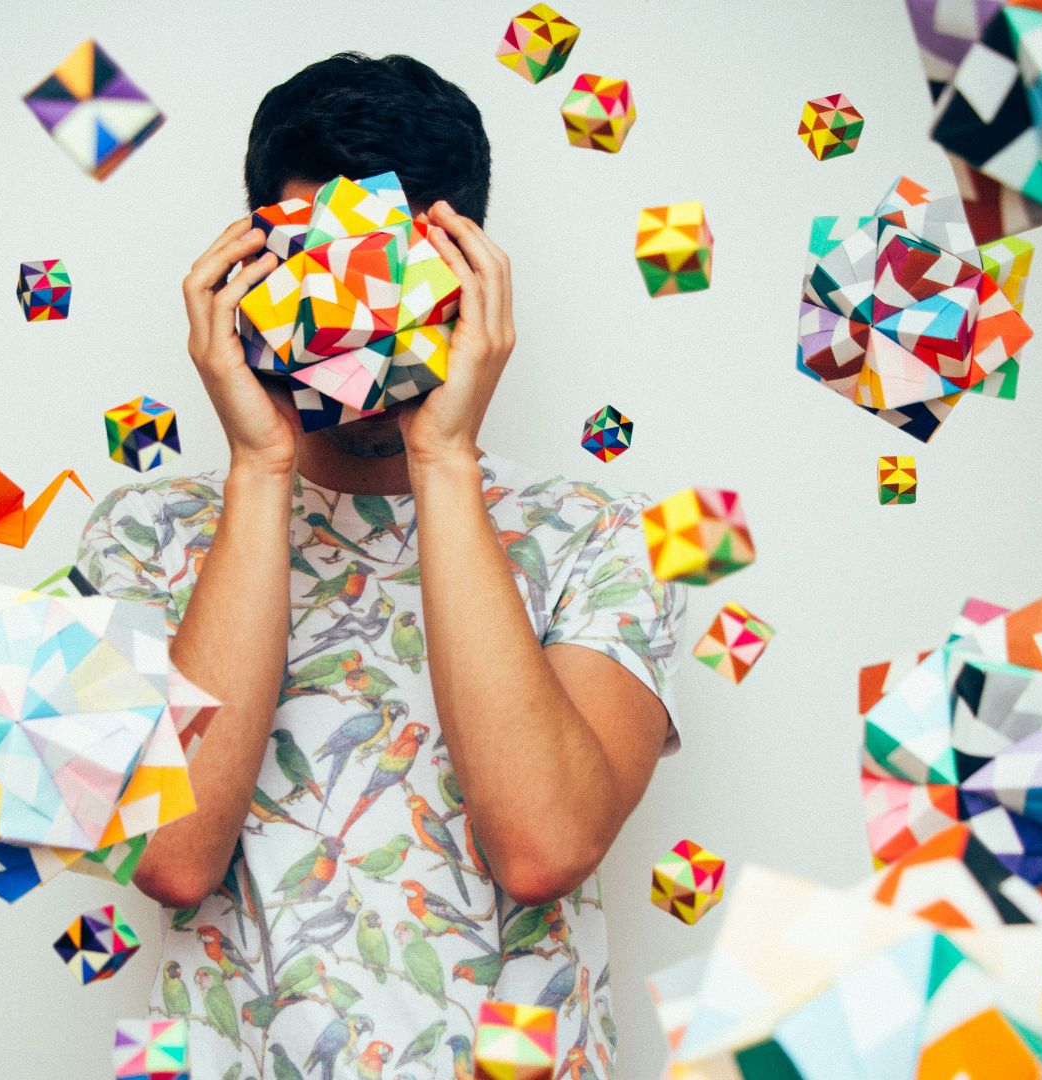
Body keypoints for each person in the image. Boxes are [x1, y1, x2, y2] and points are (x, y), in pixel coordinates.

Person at [76, 51, 686, 1080]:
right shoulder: (142, 537)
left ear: (466, 278)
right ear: (249, 270)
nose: (356, 318)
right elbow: (172, 859)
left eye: (391, 271)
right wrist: (261, 467)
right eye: (322, 268)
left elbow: (541, 849)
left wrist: (443, 456)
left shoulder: (599, 534)